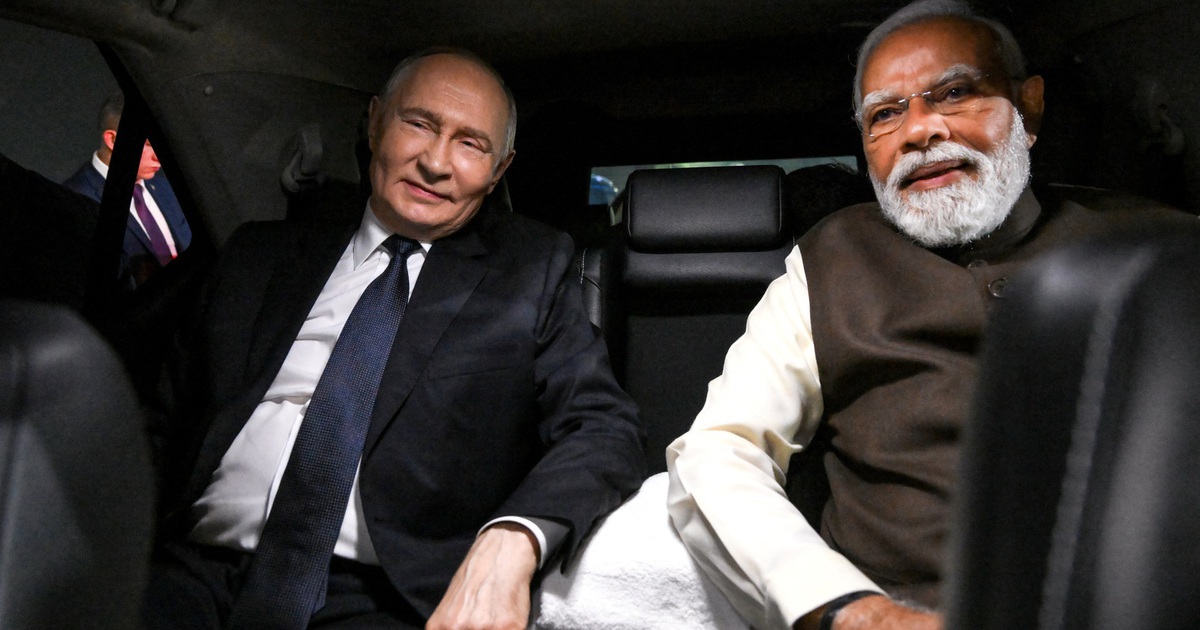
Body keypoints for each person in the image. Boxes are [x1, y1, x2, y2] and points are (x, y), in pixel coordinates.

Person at [666, 1, 1191, 629]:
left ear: (1028, 109)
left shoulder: (1164, 250)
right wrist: (851, 612)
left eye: (955, 93)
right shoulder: (831, 260)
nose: (919, 130)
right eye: (885, 114)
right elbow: (722, 449)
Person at [148, 48, 645, 629]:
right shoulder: (257, 256)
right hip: (187, 570)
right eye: (419, 124)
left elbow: (603, 427)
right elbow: (157, 419)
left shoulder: (531, 272)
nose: (435, 162)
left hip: (384, 597)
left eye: (470, 144)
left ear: (499, 170)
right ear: (375, 121)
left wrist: (513, 539)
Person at [63, 91, 191, 287]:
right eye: (148, 143)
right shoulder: (74, 201)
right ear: (113, 140)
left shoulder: (165, 187)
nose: (158, 156)